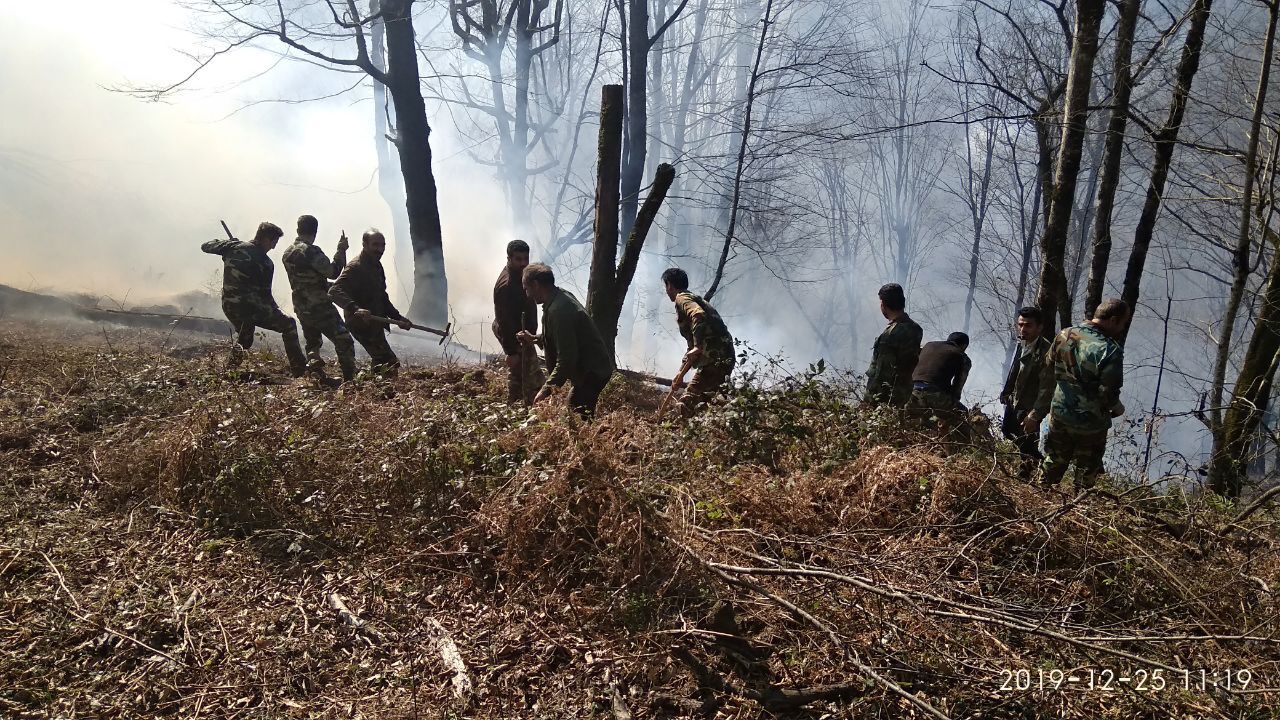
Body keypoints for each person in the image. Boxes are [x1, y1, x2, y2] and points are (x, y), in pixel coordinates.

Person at [1030, 298, 1130, 489]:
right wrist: (1118, 408)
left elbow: (1048, 365)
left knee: (1053, 460)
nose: (1122, 328)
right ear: (1113, 320)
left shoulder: (1064, 334)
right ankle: (1078, 510)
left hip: (1060, 413)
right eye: (1123, 323)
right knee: (1086, 471)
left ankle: (1038, 499)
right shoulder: (1109, 351)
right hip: (1090, 424)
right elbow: (1108, 394)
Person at [201, 221, 307, 376]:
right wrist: (278, 312)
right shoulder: (266, 263)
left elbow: (205, 246)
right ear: (266, 239)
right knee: (289, 324)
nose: (274, 247)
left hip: (229, 306)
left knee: (246, 338)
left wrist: (228, 244)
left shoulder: (232, 247)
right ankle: (300, 371)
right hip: (250, 309)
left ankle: (229, 370)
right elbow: (266, 297)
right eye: (273, 242)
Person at [517, 263, 615, 417]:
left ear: (536, 285)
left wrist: (546, 390)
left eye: (526, 288)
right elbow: (560, 336)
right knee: (577, 412)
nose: (527, 294)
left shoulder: (559, 311)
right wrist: (534, 339)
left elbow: (567, 358)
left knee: (575, 415)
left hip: (593, 372)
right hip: (591, 369)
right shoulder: (559, 297)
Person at [281, 215, 357, 382]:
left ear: (297, 229)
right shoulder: (311, 251)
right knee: (344, 339)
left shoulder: (287, 253)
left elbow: (308, 278)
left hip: (301, 306)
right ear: (315, 231)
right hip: (319, 306)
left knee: (313, 342)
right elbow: (333, 271)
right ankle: (350, 381)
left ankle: (315, 374)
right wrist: (341, 250)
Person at [328, 229, 412, 376]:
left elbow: (382, 297)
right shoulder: (355, 267)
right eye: (375, 245)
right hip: (361, 323)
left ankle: (374, 390)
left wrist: (397, 318)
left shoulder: (376, 266)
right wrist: (355, 308)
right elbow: (334, 291)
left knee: (382, 362)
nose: (380, 249)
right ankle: (371, 390)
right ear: (364, 245)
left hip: (375, 323)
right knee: (388, 362)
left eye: (382, 245)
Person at [661, 267, 735, 416]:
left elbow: (698, 315)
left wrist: (698, 346)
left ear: (669, 285)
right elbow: (691, 350)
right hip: (724, 357)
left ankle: (677, 436)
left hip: (714, 360)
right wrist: (679, 374)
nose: (666, 291)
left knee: (686, 404)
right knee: (714, 404)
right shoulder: (693, 298)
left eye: (666, 286)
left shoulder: (682, 298)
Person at [999, 307, 1051, 477]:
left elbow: (1047, 387)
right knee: (1007, 430)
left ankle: (1027, 475)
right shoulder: (1023, 343)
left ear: (1039, 327)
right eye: (1020, 324)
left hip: (1031, 404)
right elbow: (1015, 368)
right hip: (1015, 399)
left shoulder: (1046, 352)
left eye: (1028, 325)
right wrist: (1006, 390)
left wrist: (1035, 415)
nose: (1022, 329)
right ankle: (1035, 460)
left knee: (1028, 441)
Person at [492, 239, 544, 405]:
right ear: (509, 259)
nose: (523, 263)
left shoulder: (524, 275)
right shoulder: (506, 286)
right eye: (518, 259)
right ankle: (516, 406)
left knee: (525, 375)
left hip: (524, 334)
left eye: (525, 259)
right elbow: (503, 321)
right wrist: (511, 352)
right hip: (513, 335)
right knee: (523, 375)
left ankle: (516, 405)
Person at [865, 283, 923, 407]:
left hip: (887, 399)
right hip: (905, 394)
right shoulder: (916, 328)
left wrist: (870, 401)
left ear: (883, 305)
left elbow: (882, 372)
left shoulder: (891, 334)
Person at [908, 332, 971, 423]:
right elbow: (958, 384)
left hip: (911, 391)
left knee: (912, 421)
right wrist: (953, 402)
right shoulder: (962, 356)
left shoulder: (928, 345)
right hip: (935, 393)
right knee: (963, 414)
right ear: (964, 346)